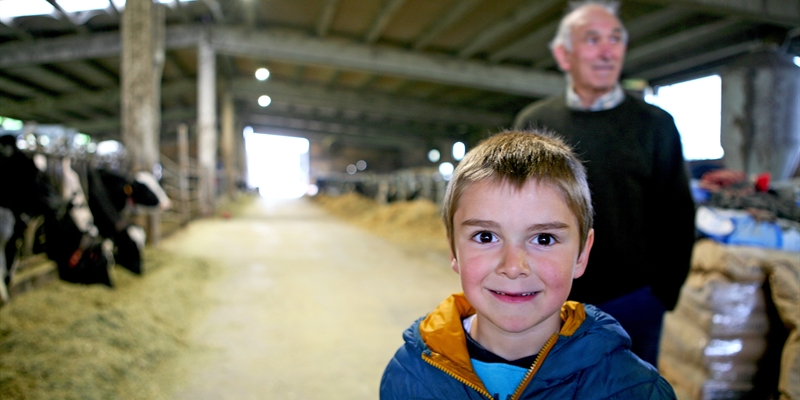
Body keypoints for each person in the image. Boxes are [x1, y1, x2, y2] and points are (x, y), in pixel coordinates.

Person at [380, 131, 676, 400]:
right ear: (453, 250)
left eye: (544, 239)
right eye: (485, 236)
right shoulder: (408, 376)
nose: (513, 266)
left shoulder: (635, 389)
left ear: (582, 254)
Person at [514, 1, 695, 366]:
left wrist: (662, 293)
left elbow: (677, 211)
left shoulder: (655, 125)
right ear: (564, 55)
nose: (607, 51)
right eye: (592, 39)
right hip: (552, 298)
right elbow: (516, 211)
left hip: (634, 299)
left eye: (615, 39)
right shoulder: (535, 122)